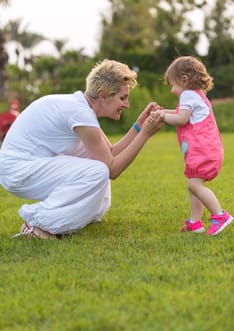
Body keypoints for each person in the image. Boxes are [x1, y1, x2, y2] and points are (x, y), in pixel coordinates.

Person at [0, 59, 163, 240]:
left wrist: (138, 126)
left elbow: (109, 153)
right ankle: (37, 223)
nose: (127, 105)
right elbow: (112, 169)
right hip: (17, 170)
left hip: (27, 165)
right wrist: (145, 134)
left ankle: (67, 220)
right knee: (99, 170)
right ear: (102, 95)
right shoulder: (80, 112)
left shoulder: (82, 108)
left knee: (98, 167)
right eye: (122, 98)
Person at [153, 55, 233, 236]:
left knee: (194, 185)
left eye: (172, 84)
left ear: (184, 80)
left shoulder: (188, 94)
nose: (172, 90)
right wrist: (163, 111)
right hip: (205, 150)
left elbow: (181, 119)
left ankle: (220, 215)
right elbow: (180, 112)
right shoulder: (197, 96)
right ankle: (195, 223)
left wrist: (163, 117)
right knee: (194, 184)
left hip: (203, 151)